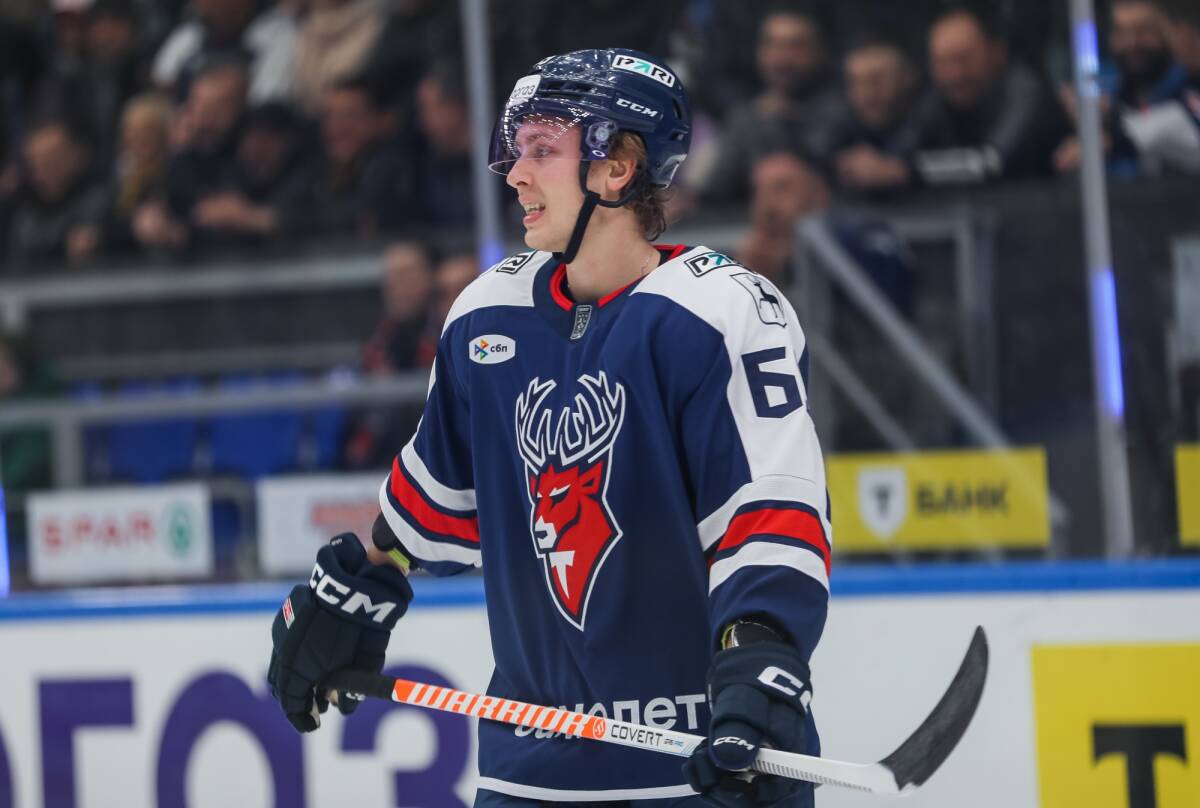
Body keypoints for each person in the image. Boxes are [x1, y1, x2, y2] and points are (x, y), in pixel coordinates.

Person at [267, 48, 831, 808]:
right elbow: (436, 507)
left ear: (616, 168)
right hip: (532, 769)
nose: (515, 174)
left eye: (541, 150)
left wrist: (760, 653)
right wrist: (362, 582)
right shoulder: (486, 317)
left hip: (702, 760)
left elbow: (769, 510)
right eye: (516, 149)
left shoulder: (719, 311)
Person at [909, 2, 1070, 184]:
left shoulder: (1024, 91)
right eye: (942, 62)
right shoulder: (938, 96)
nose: (954, 75)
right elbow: (903, 151)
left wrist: (911, 171)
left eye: (964, 59)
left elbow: (992, 161)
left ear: (997, 52)